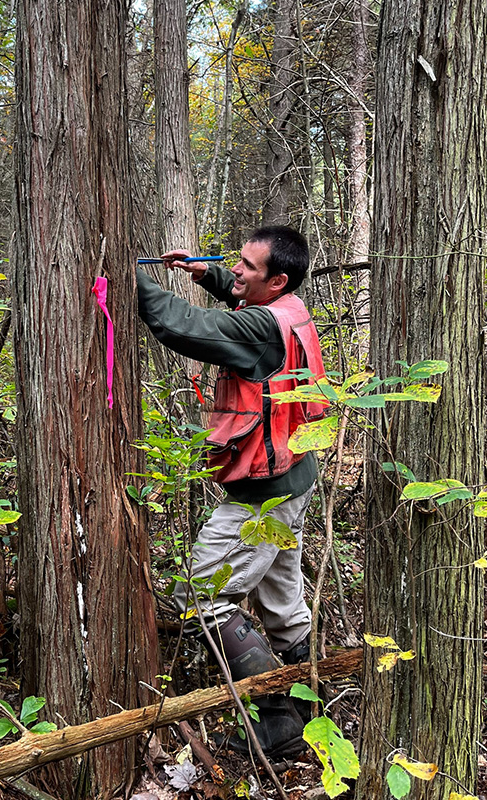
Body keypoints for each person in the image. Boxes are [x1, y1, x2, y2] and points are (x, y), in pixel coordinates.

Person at [136, 226, 326, 757]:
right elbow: (246, 303)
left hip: (263, 496)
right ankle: (315, 710)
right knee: (283, 608)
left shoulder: (263, 327)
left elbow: (187, 326)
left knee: (201, 599)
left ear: (278, 280)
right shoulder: (290, 308)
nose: (235, 269)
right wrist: (208, 274)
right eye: (235, 263)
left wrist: (129, 280)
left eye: (246, 266)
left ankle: (279, 721)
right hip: (291, 480)